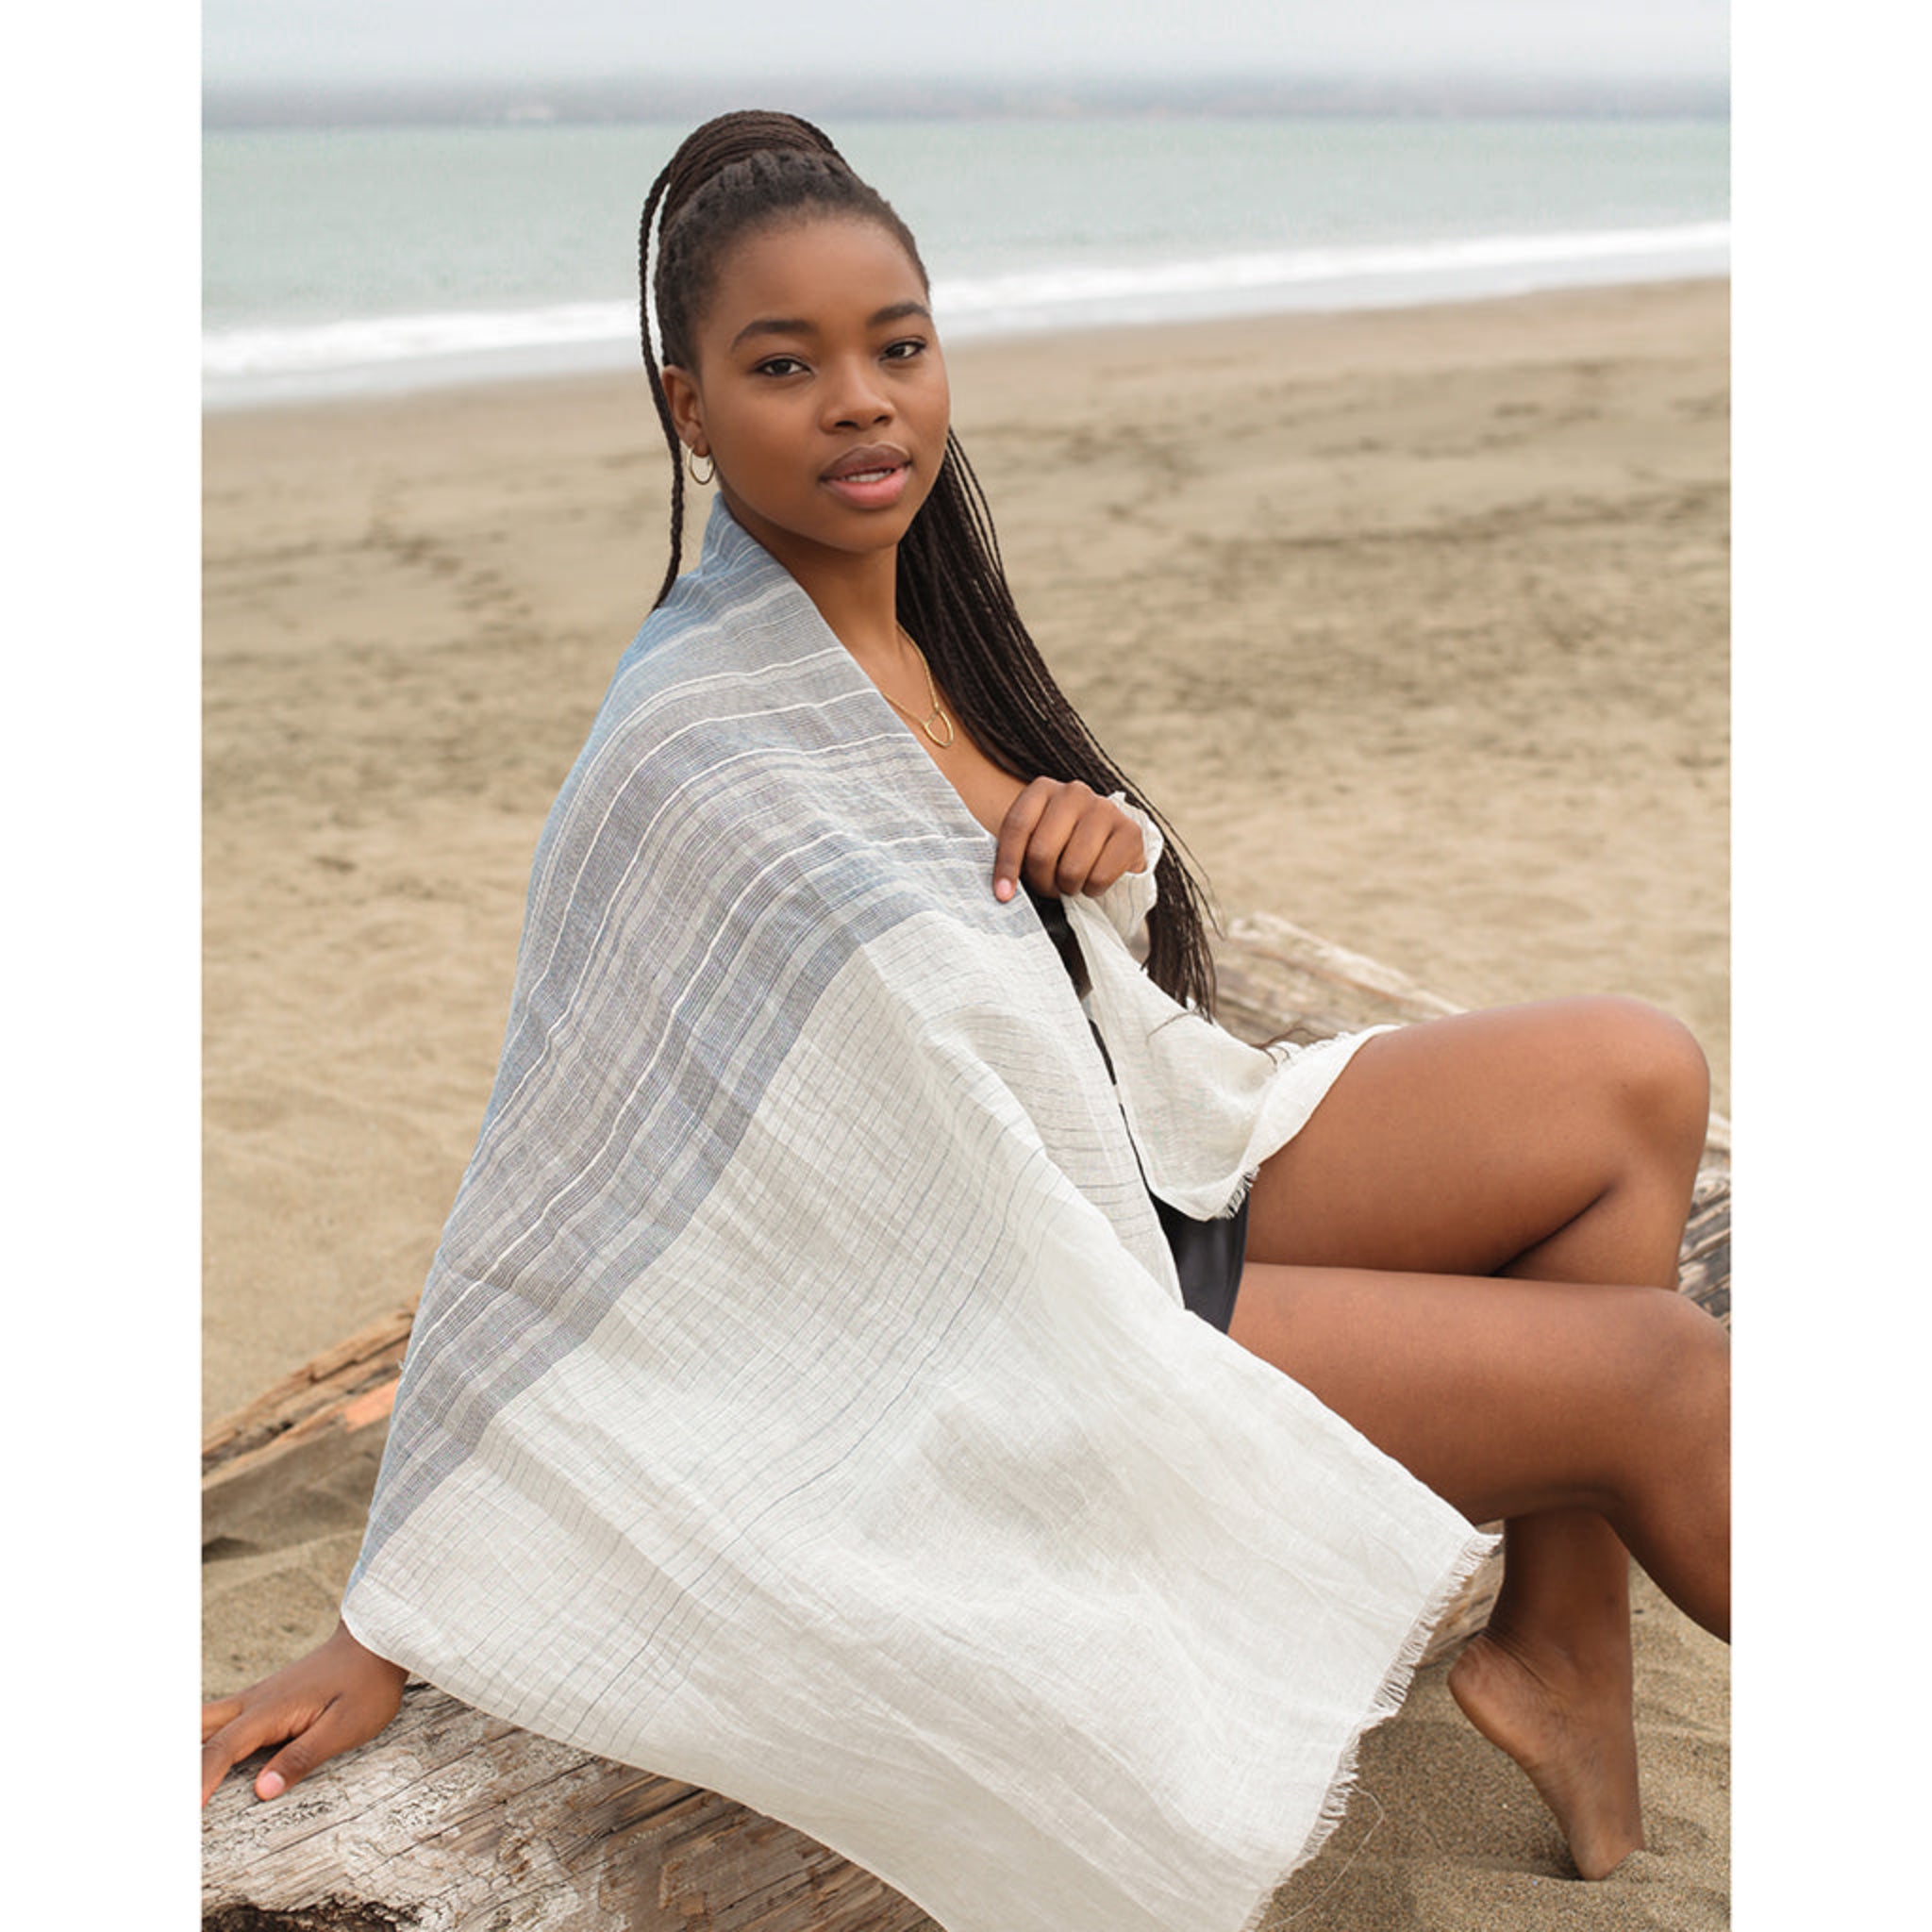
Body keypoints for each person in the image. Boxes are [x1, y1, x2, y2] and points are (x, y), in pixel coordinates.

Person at [201, 111, 1728, 1926]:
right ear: (692, 410)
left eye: (897, 346)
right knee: (1669, 1379)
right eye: (787, 367)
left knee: (1635, 1070)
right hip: (1037, 1304)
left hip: (1136, 1177)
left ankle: (1563, 1647)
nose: (860, 401)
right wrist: (388, 1610)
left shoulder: (931, 642)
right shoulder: (692, 738)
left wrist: (1105, 855)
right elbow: (560, 1172)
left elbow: (1008, 987)